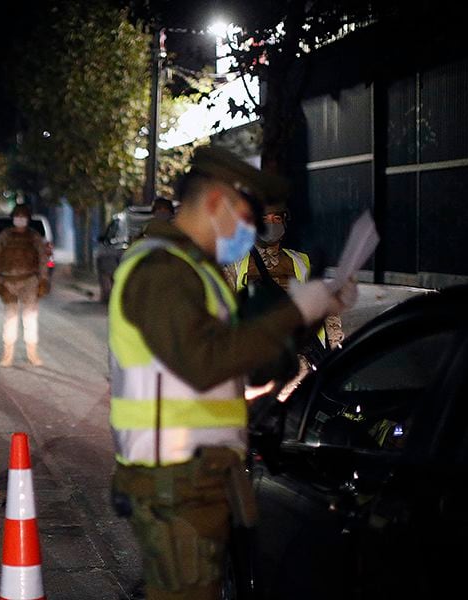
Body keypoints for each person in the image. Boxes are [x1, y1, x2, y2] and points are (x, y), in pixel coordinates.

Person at [108, 146, 358, 599]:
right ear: (215, 204)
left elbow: (249, 359)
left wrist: (313, 313)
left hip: (200, 478)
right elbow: (203, 362)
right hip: (173, 482)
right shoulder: (160, 270)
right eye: (246, 217)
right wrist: (296, 309)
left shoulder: (195, 273)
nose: (252, 230)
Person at [223, 198, 344, 397]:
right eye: (266, 219)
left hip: (301, 359)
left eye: (276, 218)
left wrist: (334, 347)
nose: (272, 223)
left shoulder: (301, 261)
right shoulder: (235, 264)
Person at [0, 203, 50, 367]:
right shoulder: (5, 236)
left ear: (28, 219)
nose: (20, 220)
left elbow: (42, 259)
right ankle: (7, 355)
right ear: (13, 219)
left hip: (29, 280)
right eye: (17, 217)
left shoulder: (34, 236)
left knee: (30, 319)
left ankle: (32, 354)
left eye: (23, 217)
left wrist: (43, 279)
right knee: (10, 319)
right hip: (8, 281)